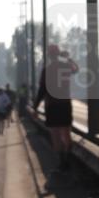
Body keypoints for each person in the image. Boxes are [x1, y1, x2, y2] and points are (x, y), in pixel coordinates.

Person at [35, 44, 80, 172]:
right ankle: (67, 159)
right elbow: (76, 69)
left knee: (55, 135)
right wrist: (69, 59)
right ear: (58, 54)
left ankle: (62, 162)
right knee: (66, 134)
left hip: (52, 105)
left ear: (49, 55)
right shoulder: (65, 67)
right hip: (65, 104)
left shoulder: (46, 70)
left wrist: (36, 107)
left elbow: (42, 90)